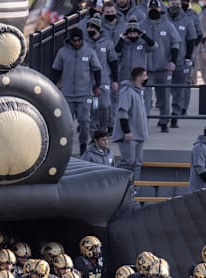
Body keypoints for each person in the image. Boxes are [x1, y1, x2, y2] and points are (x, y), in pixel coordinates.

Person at [51, 27, 102, 155]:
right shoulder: (63, 52)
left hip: (84, 94)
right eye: (74, 41)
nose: (77, 43)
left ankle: (83, 143)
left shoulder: (89, 52)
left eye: (79, 40)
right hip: (67, 94)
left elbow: (97, 69)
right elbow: (56, 70)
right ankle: (64, 146)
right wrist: (52, 85)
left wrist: (97, 86)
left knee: (84, 121)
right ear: (70, 40)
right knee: (66, 123)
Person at [139, 0, 181, 131]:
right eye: (150, 8)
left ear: (160, 9)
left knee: (163, 96)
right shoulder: (141, 25)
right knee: (145, 97)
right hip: (146, 69)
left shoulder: (168, 25)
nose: (153, 10)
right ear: (147, 10)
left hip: (163, 67)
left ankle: (164, 121)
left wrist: (173, 61)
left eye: (155, 8)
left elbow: (175, 44)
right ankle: (144, 121)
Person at [112, 67, 149, 183]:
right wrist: (126, 131)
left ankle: (134, 190)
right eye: (144, 75)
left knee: (137, 163)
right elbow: (123, 112)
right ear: (138, 78)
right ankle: (111, 181)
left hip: (140, 135)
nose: (146, 78)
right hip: (129, 135)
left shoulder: (139, 92)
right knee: (128, 161)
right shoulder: (127, 91)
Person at [84, 14, 119, 134]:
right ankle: (93, 131)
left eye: (92, 27)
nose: (90, 30)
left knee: (105, 105)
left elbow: (113, 61)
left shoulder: (107, 43)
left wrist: (115, 80)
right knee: (93, 106)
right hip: (89, 81)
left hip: (104, 80)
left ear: (98, 29)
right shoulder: (85, 43)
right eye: (88, 27)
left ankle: (103, 128)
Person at [167, 0, 197, 127]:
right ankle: (163, 116)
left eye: (178, 4)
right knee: (163, 92)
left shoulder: (187, 20)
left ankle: (175, 115)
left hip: (180, 61)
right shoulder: (163, 20)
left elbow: (191, 40)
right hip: (164, 62)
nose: (175, 7)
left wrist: (188, 58)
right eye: (172, 4)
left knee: (179, 91)